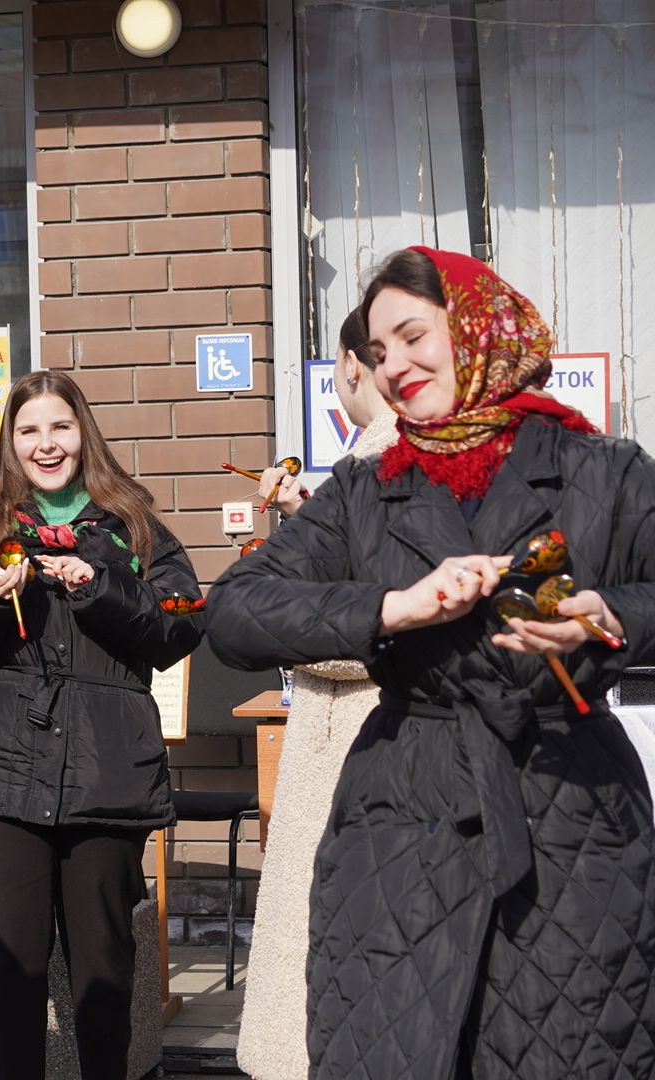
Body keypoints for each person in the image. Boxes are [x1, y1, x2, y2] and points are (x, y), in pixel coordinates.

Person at [205, 245, 655, 1080]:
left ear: (476, 329)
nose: (395, 367)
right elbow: (236, 611)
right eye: (378, 352)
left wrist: (612, 617)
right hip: (398, 824)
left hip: (569, 815)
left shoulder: (599, 470)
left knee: (573, 1048)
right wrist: (392, 607)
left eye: (414, 336)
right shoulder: (366, 490)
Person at [0, 369, 203, 1080]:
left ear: (84, 434)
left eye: (60, 427)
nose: (45, 445)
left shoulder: (135, 527)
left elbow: (182, 624)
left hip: (106, 774)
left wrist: (99, 584)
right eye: (28, 431)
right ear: (8, 444)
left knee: (103, 970)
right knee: (9, 970)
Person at [234, 308, 395, 1080]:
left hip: (357, 739)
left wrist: (282, 612)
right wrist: (306, 520)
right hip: (364, 737)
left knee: (331, 950)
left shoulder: (383, 461)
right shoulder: (387, 460)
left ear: (353, 366)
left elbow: (374, 621)